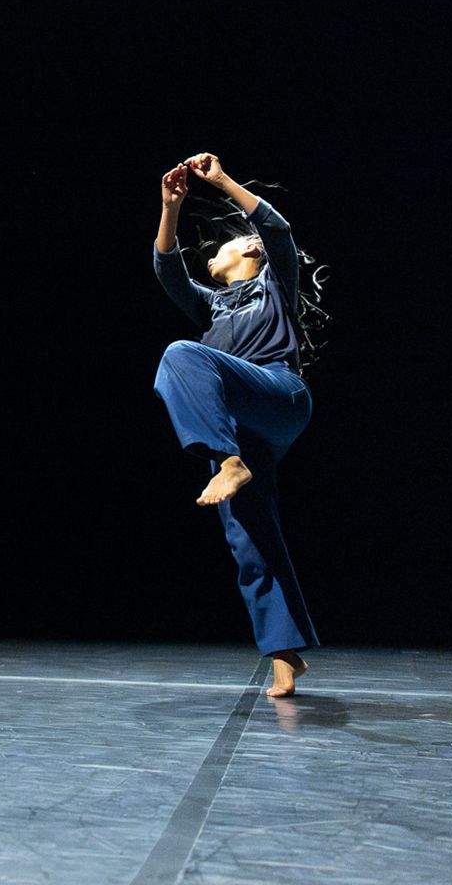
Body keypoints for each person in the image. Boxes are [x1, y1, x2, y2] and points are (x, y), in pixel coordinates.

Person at [154, 153, 319, 698]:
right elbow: (167, 269)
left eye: (221, 245)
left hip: (279, 395)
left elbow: (276, 227)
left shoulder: (275, 285)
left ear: (247, 249)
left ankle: (227, 462)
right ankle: (284, 655)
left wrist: (222, 182)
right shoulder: (214, 308)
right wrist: (170, 209)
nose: (210, 255)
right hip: (240, 428)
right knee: (249, 536)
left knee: (181, 354)